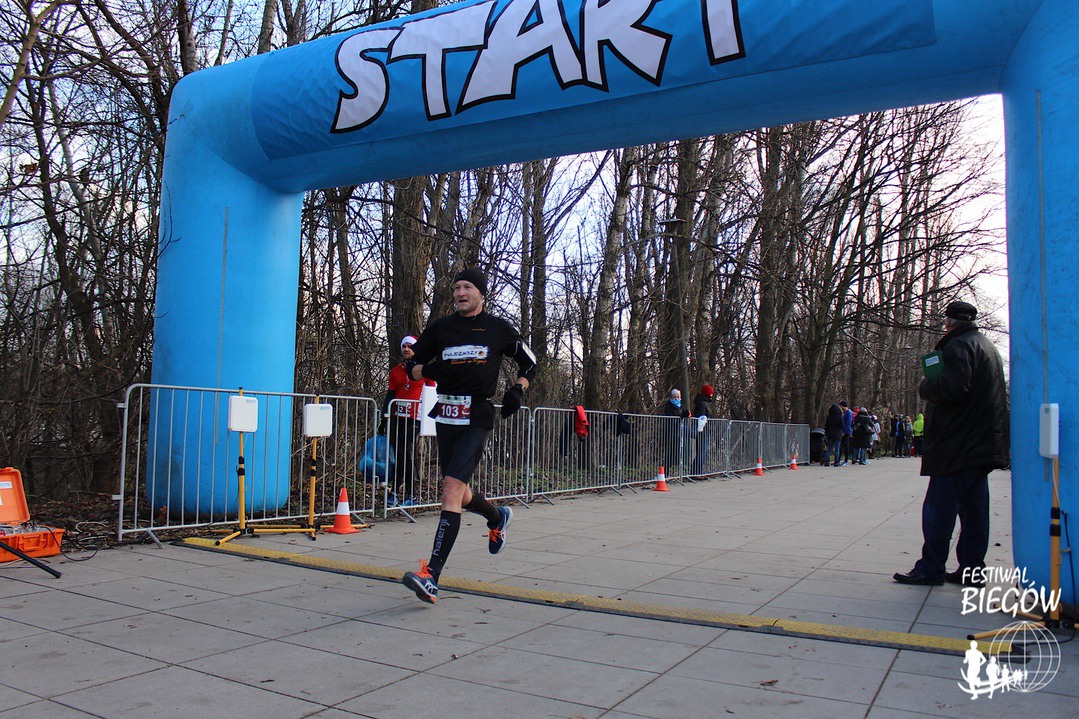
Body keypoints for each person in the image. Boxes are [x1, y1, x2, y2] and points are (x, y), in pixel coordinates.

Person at [400, 268, 538, 603]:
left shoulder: (497, 328)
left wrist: (518, 389)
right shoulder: (441, 328)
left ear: (481, 293)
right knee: (459, 493)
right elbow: (410, 368)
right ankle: (497, 516)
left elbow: (531, 362)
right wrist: (428, 369)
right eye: (457, 287)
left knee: (450, 488)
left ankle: (431, 576)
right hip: (446, 414)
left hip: (477, 414)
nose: (460, 293)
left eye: (467, 287)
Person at [893, 301, 1009, 586]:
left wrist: (926, 386)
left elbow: (953, 388)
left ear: (949, 322)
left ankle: (931, 567)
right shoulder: (988, 348)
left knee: (939, 510)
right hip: (981, 443)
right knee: (975, 512)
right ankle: (972, 569)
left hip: (957, 444)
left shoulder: (958, 347)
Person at [380, 335, 434, 507]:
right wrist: (383, 419)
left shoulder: (423, 370)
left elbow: (432, 392)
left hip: (414, 417)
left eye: (410, 346)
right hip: (397, 416)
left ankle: (405, 493)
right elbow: (390, 395)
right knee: (399, 454)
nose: (406, 349)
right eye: (404, 346)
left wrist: (429, 418)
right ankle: (399, 493)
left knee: (403, 451)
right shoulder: (396, 371)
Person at [661, 388, 690, 471]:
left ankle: (674, 471)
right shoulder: (668, 406)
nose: (676, 399)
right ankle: (665, 472)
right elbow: (671, 418)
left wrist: (686, 414)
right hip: (671, 432)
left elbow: (684, 412)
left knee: (677, 453)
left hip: (679, 432)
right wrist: (681, 416)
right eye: (674, 397)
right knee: (669, 453)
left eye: (678, 397)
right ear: (671, 397)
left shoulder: (681, 405)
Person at [692, 384, 715, 476]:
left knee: (702, 453)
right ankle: (696, 473)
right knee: (701, 452)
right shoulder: (702, 404)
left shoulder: (703, 403)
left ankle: (699, 472)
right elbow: (701, 418)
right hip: (702, 431)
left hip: (704, 430)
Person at [839, 401, 853, 465]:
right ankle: (840, 459)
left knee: (845, 445)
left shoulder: (848, 413)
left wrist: (844, 431)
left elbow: (847, 423)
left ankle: (846, 460)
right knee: (842, 445)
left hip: (846, 431)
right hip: (846, 430)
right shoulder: (846, 413)